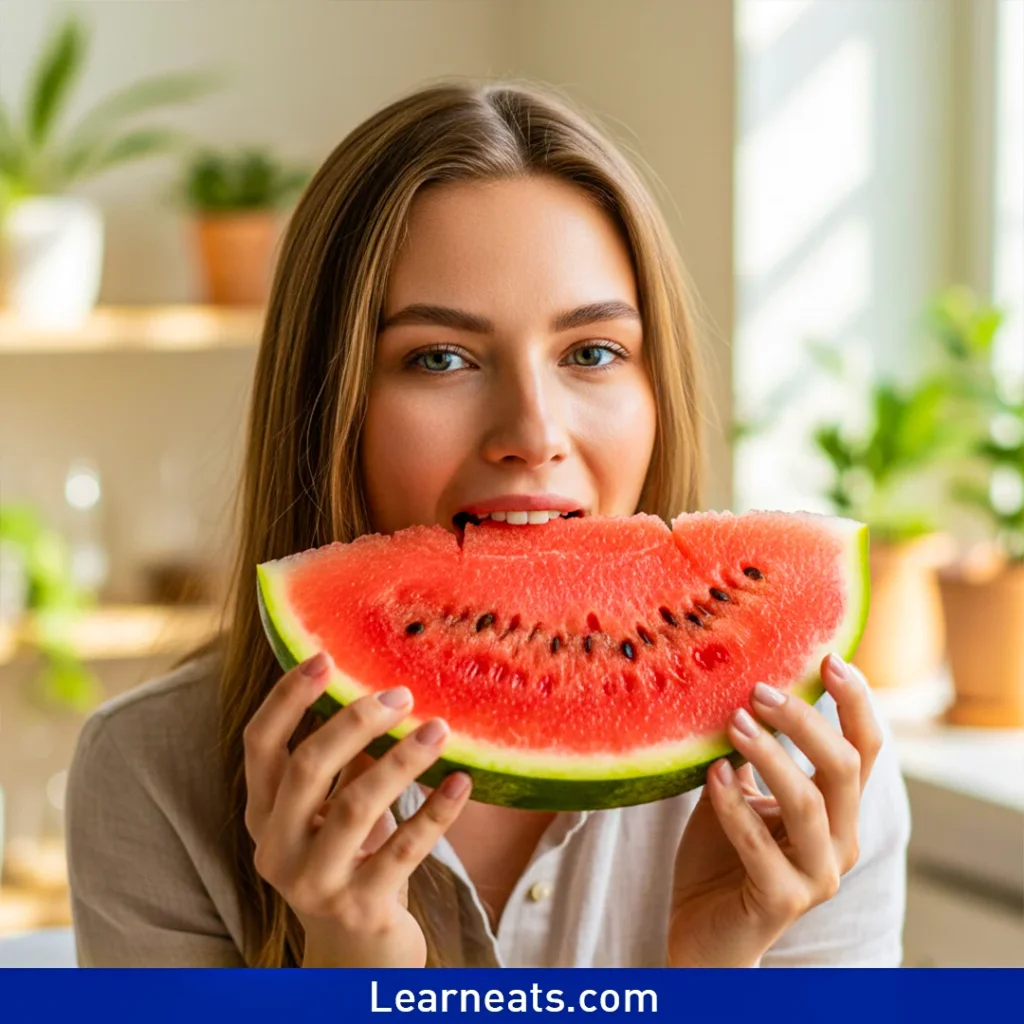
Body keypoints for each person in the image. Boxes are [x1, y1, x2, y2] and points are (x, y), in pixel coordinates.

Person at [66, 81, 910, 968]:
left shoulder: (812, 775)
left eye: (592, 352)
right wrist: (358, 976)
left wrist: (709, 976)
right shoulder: (154, 772)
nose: (533, 435)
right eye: (440, 358)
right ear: (330, 402)